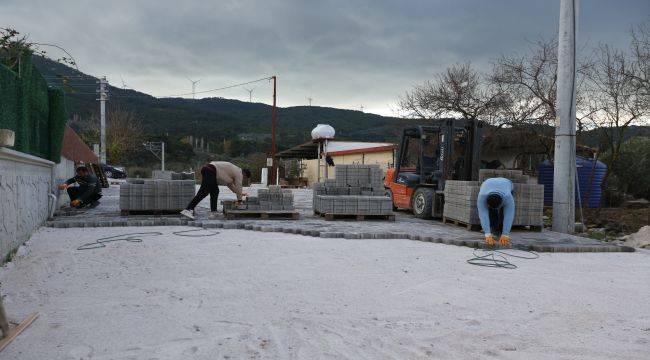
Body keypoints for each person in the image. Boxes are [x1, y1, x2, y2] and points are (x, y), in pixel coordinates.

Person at [180, 161, 252, 220]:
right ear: (244, 174)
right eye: (245, 178)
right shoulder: (239, 173)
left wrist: (240, 194)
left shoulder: (233, 172)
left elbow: (231, 185)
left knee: (215, 191)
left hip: (210, 171)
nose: (243, 179)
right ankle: (188, 209)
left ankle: (213, 212)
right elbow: (239, 186)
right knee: (204, 192)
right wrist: (239, 200)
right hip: (210, 170)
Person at [477, 177, 515, 247]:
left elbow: (509, 215)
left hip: (507, 182)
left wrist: (505, 234)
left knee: (504, 212)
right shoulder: (482, 196)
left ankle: (501, 231)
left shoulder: (508, 197)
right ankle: (493, 230)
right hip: (487, 183)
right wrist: (487, 234)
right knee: (492, 211)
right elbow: (483, 214)